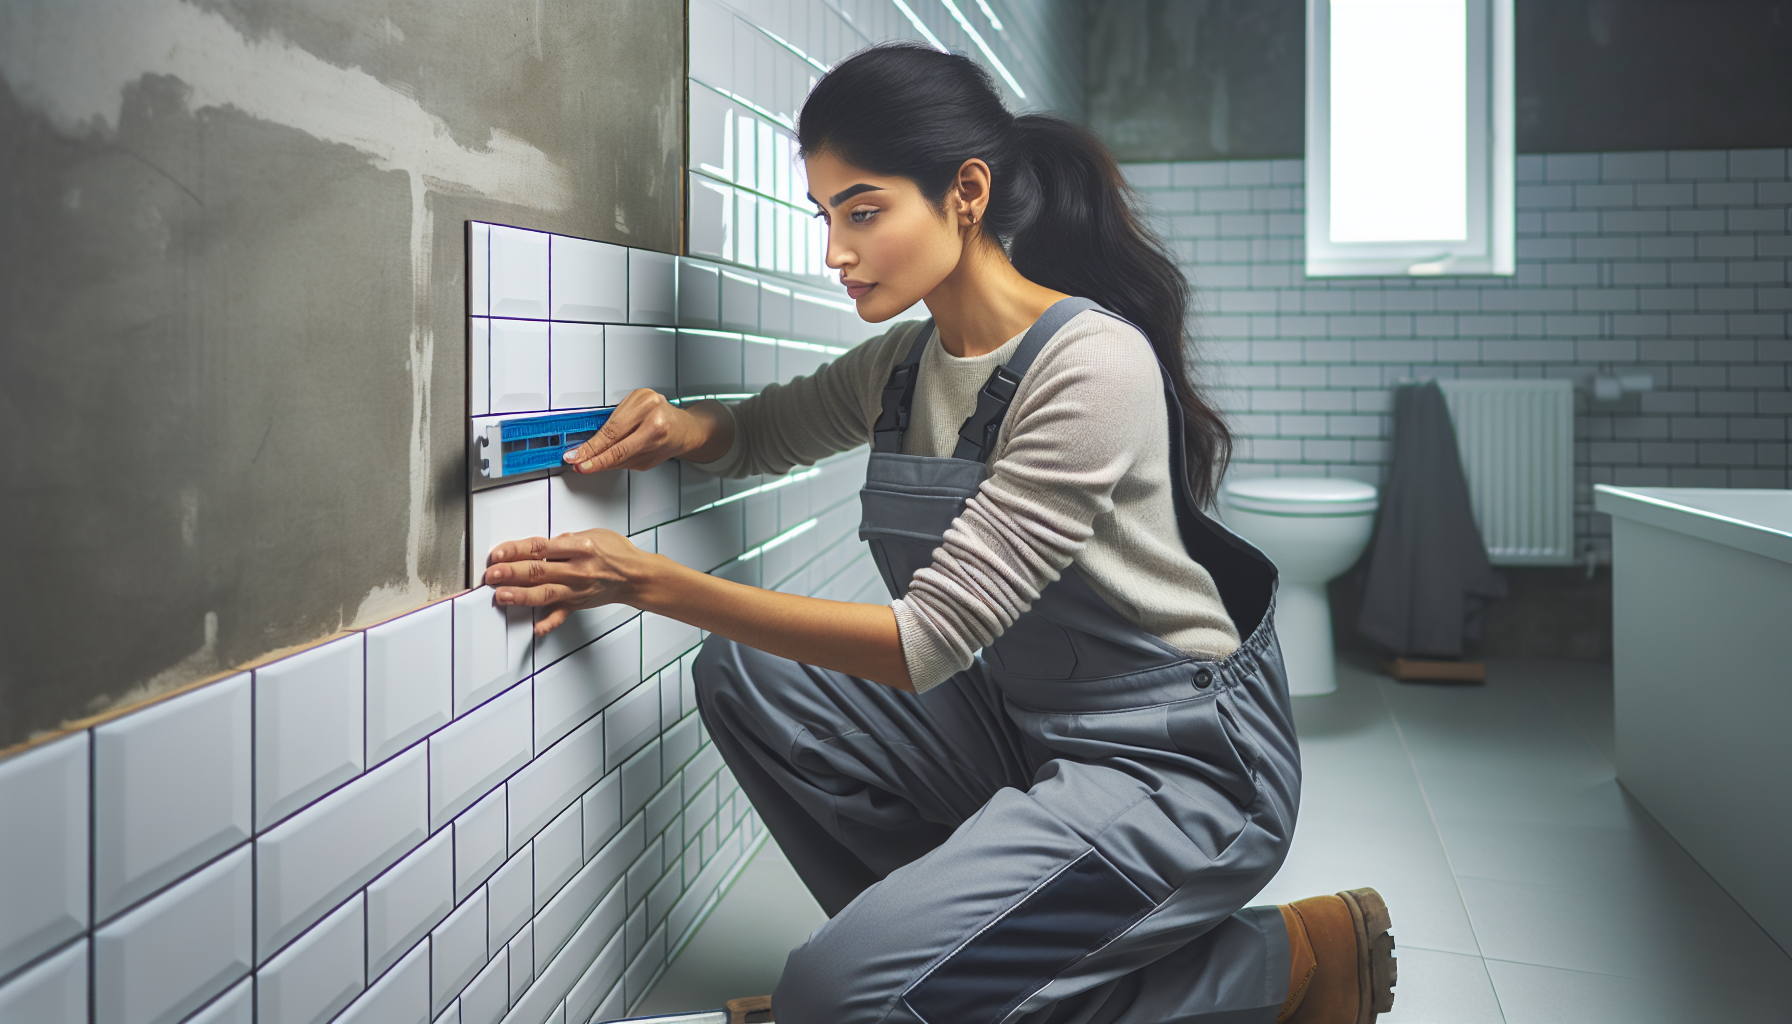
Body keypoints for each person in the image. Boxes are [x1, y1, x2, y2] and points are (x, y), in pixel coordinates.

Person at [481, 42, 1395, 1024]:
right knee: (744, 675)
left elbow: (925, 646)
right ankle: (940, 978)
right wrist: (678, 426)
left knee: (828, 996)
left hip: (1180, 770)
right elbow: (763, 428)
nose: (836, 250)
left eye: (863, 211)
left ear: (965, 192)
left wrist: (645, 580)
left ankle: (1288, 961)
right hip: (1026, 724)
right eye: (826, 215)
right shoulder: (908, 365)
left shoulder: (1090, 365)